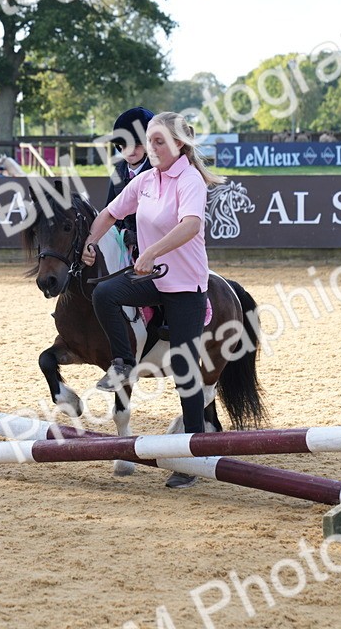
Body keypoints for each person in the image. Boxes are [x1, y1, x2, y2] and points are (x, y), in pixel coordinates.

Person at [81, 111, 225, 488]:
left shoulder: (190, 179)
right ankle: (124, 363)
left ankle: (194, 455)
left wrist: (151, 253)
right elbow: (110, 213)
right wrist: (91, 242)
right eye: (151, 140)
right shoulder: (145, 180)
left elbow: (191, 224)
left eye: (161, 141)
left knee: (184, 368)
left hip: (186, 286)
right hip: (154, 280)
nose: (153, 147)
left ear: (180, 145)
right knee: (105, 293)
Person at [104, 106, 153, 259]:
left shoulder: (158, 172)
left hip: (155, 248)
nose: (129, 151)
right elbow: (110, 211)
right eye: (124, 145)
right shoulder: (118, 173)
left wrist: (139, 237)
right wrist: (119, 234)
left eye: (136, 145)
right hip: (123, 249)